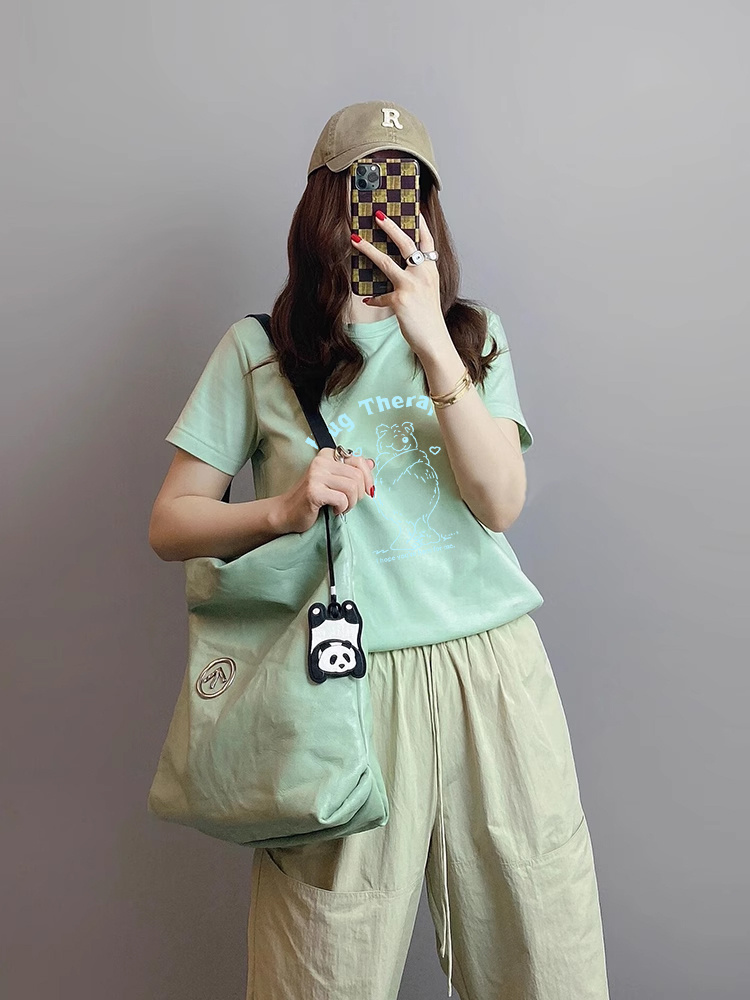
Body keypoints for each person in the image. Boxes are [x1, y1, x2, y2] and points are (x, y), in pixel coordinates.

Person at [149, 101, 611, 1000]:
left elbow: (500, 502)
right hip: (342, 686)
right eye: (370, 186)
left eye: (413, 190)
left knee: (542, 942)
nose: (393, 211)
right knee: (323, 963)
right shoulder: (262, 351)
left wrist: (431, 339)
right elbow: (172, 522)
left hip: (493, 676)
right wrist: (283, 508)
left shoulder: (473, 335)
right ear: (328, 203)